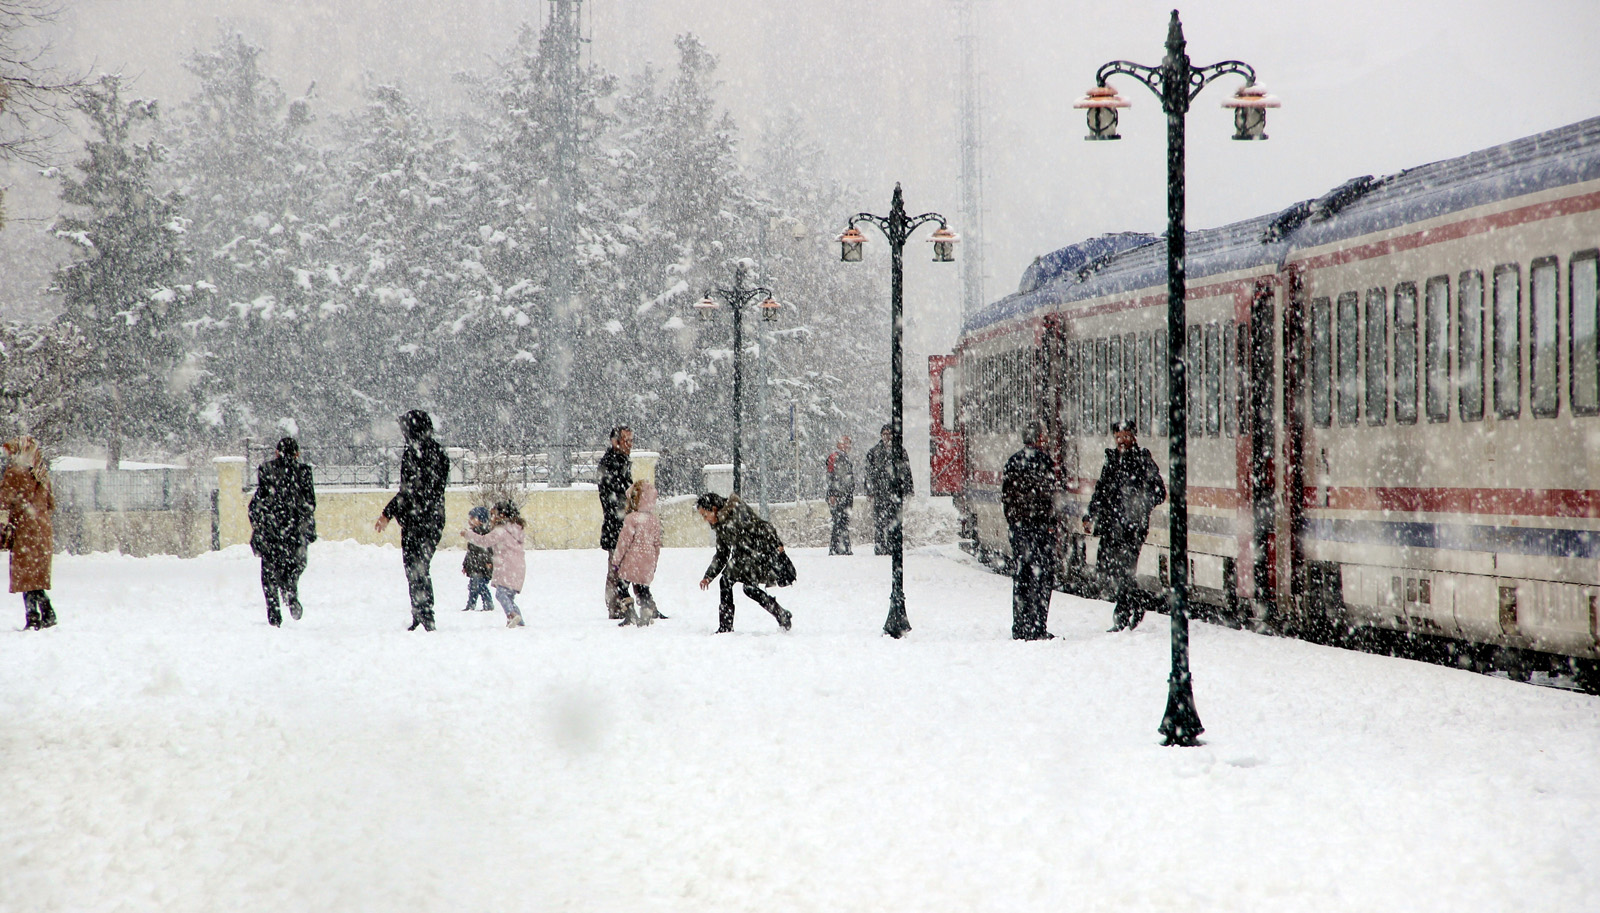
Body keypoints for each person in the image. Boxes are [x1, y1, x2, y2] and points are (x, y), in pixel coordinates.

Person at [1084, 419, 1167, 631]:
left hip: (1132, 529)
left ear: (1133, 437)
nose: (1121, 440)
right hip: (1111, 526)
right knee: (1108, 570)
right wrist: (1090, 514)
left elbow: (1159, 491)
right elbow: (1101, 490)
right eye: (1118, 437)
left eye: (1125, 436)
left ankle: (1121, 619)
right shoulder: (1111, 460)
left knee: (1125, 571)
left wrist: (1140, 505)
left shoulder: (1142, 459)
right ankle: (1138, 601)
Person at [375, 409, 450, 631]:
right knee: (420, 566)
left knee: (415, 567)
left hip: (417, 520)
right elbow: (428, 489)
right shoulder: (439, 453)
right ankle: (422, 614)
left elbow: (408, 491)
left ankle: (424, 615)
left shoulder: (414, 453)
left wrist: (388, 512)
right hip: (433, 518)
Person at [696, 492, 793, 633]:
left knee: (731, 582)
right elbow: (722, 554)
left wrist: (776, 543)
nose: (705, 519)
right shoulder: (721, 524)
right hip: (744, 557)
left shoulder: (737, 511)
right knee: (746, 587)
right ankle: (781, 614)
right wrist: (708, 576)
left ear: (714, 508)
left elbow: (763, 527)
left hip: (759, 553)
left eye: (705, 515)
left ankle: (726, 627)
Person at [247, 436, 317, 627]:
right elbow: (310, 503)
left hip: (271, 531)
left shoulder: (267, 470)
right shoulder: (304, 472)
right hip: (295, 531)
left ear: (277, 452)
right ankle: (290, 588)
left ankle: (274, 616)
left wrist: (259, 525)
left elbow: (259, 501)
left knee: (269, 575)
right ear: (297, 454)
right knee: (294, 566)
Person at [1002, 421, 1059, 641]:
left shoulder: (1013, 461)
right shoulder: (1044, 461)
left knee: (1021, 577)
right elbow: (1049, 496)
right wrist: (1050, 523)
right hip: (1039, 528)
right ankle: (1037, 627)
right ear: (1040, 438)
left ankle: (1020, 625)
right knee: (1041, 578)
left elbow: (1006, 497)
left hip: (1019, 528)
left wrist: (1014, 521)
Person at [1, 436, 56, 630]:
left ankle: (34, 616)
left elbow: (3, 500)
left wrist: (5, 522)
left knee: (26, 575)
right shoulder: (41, 471)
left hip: (24, 528)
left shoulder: (15, 472)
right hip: (42, 529)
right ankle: (45, 613)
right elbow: (51, 503)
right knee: (35, 574)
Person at [461, 499, 526, 628]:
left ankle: (511, 615)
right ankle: (519, 623)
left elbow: (484, 541)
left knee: (501, 593)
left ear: (502, 515)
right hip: (518, 567)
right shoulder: (516, 530)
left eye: (494, 514)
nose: (492, 517)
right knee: (508, 596)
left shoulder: (501, 531)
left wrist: (468, 534)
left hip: (507, 566)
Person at [611, 480, 664, 626]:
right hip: (648, 560)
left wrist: (616, 562)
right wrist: (654, 563)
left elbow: (624, 542)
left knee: (622, 586)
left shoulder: (631, 518)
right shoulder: (654, 520)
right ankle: (646, 611)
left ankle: (629, 613)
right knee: (643, 588)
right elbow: (657, 544)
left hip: (632, 560)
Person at [598, 425, 633, 619]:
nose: (630, 445)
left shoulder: (621, 461)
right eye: (626, 441)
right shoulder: (611, 464)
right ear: (615, 442)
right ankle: (616, 606)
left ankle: (623, 603)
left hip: (620, 523)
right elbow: (613, 498)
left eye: (631, 441)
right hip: (616, 524)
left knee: (621, 566)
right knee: (616, 566)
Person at [863, 423, 913, 556]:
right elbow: (868, 473)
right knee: (879, 522)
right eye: (884, 434)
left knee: (894, 521)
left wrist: (907, 489)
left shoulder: (900, 451)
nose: (887, 437)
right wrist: (870, 491)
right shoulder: (873, 452)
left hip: (895, 493)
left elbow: (906, 472)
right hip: (880, 493)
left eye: (889, 434)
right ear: (881, 435)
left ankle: (893, 546)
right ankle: (880, 546)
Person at [825, 435, 856, 556]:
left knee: (841, 522)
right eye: (844, 443)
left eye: (848, 443)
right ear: (838, 444)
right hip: (840, 496)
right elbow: (832, 477)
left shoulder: (842, 457)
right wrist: (833, 494)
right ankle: (840, 548)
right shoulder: (837, 457)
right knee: (840, 522)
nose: (847, 446)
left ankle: (840, 548)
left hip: (843, 495)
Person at [461, 505, 494, 611]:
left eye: (473, 518)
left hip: (483, 566)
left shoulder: (484, 534)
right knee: (473, 587)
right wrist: (465, 565)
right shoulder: (473, 534)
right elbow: (470, 552)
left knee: (480, 585)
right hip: (474, 565)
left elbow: (489, 550)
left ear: (481, 520)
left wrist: (489, 562)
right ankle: (471, 604)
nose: (470, 521)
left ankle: (488, 604)